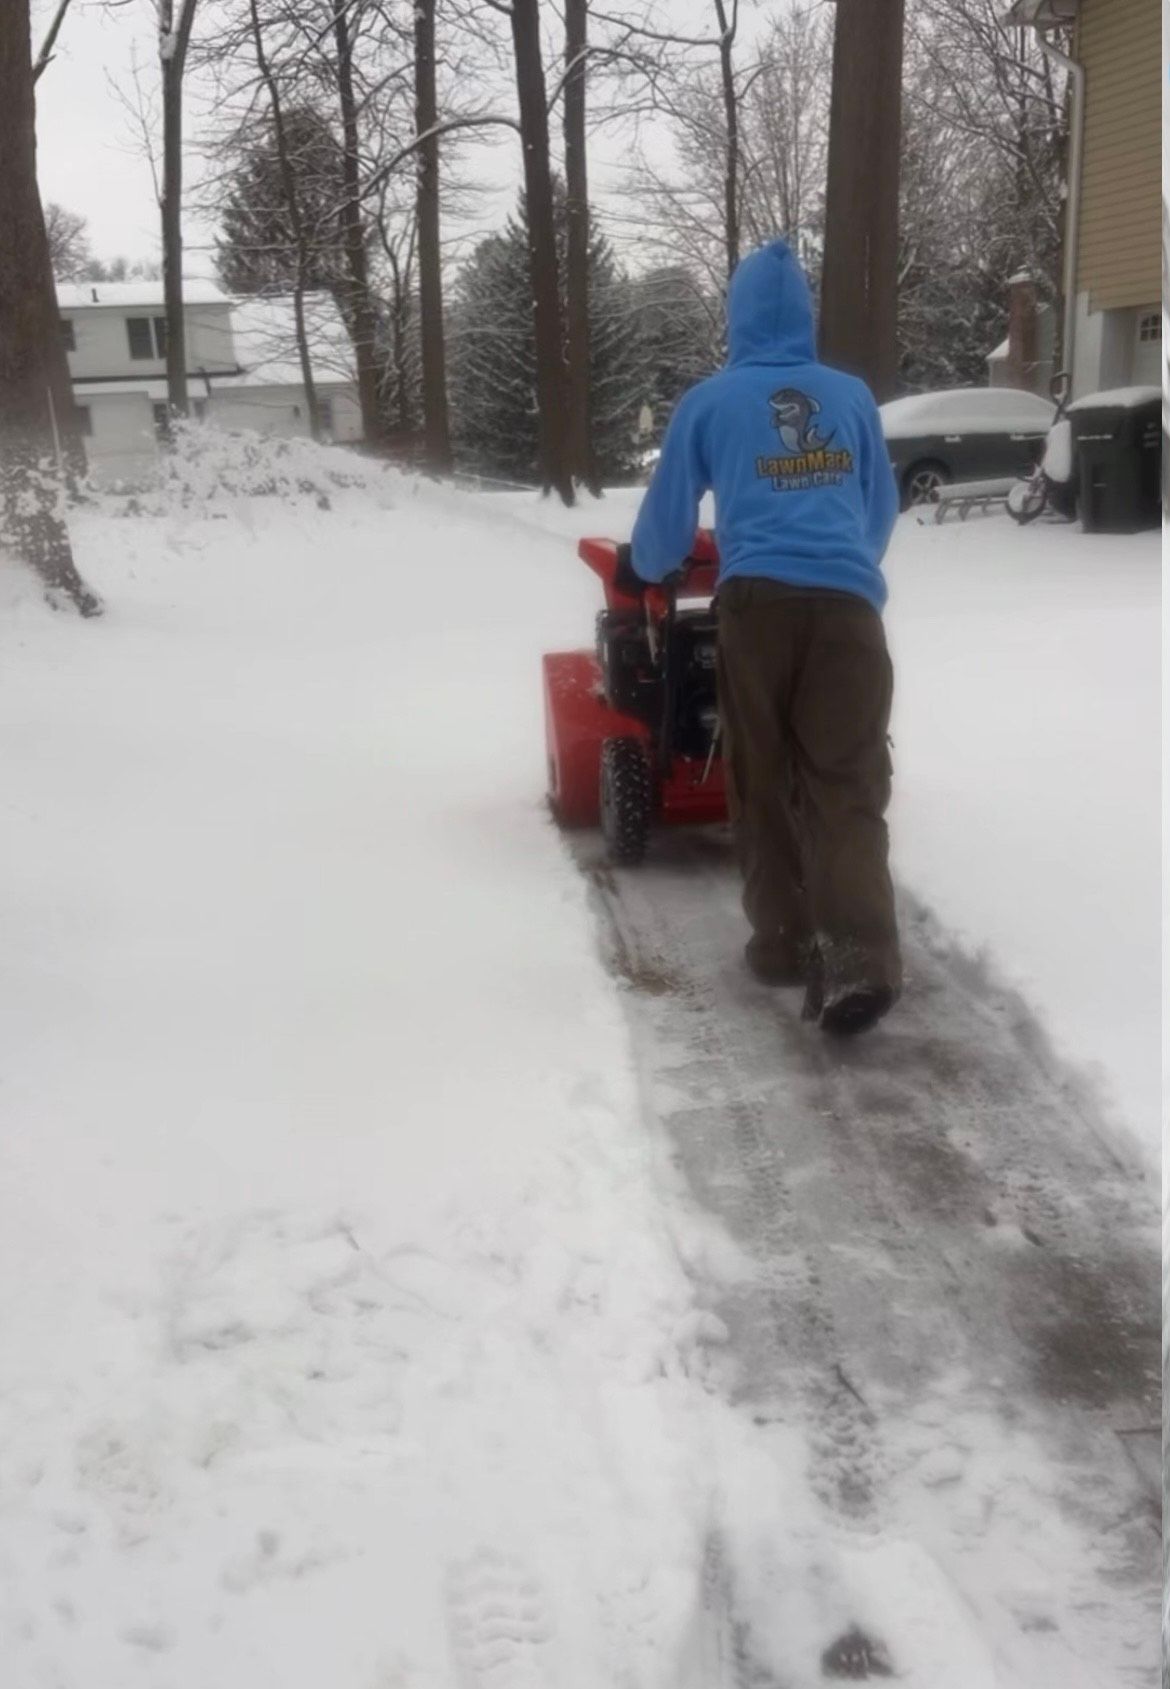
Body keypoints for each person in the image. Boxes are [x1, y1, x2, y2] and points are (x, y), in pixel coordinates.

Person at [622, 238, 901, 1036]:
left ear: (736, 317)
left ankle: (783, 943)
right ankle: (860, 958)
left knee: (763, 774)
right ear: (805, 315)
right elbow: (878, 511)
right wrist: (841, 568)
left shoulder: (710, 403)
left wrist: (652, 566)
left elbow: (664, 531)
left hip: (755, 610)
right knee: (846, 785)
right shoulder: (849, 398)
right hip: (850, 613)